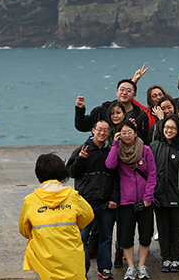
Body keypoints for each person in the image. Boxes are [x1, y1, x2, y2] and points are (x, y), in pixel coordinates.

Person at [19, 153, 94, 280]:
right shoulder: (73, 196)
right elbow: (88, 217)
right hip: (71, 261)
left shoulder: (31, 200)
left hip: (42, 263)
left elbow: (24, 230)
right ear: (62, 172)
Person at [67, 119, 120, 279]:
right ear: (93, 130)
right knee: (82, 238)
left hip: (105, 202)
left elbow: (117, 178)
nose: (102, 133)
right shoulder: (81, 150)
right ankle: (82, 269)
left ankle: (104, 268)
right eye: (99, 130)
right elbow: (70, 173)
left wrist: (114, 198)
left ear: (109, 133)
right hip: (85, 202)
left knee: (106, 237)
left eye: (105, 130)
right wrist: (81, 159)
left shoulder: (111, 151)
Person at [105, 120, 156, 280]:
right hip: (126, 201)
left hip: (145, 201)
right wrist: (114, 144)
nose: (127, 135)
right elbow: (110, 165)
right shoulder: (118, 150)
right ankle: (131, 267)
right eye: (123, 132)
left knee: (145, 234)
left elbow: (152, 175)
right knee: (126, 236)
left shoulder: (146, 150)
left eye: (129, 132)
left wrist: (148, 198)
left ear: (135, 133)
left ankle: (141, 265)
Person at [150, 115, 179, 273]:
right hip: (159, 195)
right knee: (163, 229)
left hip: (177, 196)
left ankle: (176, 259)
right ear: (162, 128)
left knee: (176, 230)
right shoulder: (154, 146)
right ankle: (166, 258)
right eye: (167, 127)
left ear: (178, 130)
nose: (169, 130)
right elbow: (149, 172)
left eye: (173, 128)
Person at [76, 79, 150, 142]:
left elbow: (143, 140)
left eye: (129, 91)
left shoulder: (141, 116)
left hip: (127, 154)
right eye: (122, 89)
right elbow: (82, 126)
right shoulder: (102, 109)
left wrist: (134, 130)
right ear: (117, 92)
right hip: (103, 152)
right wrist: (80, 109)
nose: (124, 93)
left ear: (134, 95)